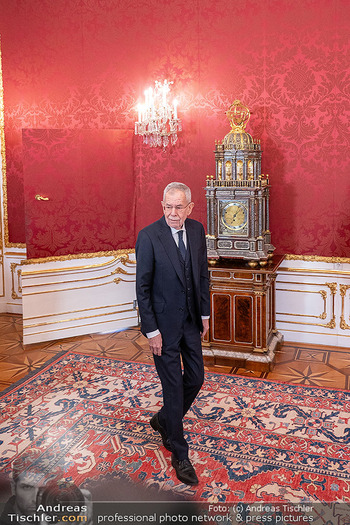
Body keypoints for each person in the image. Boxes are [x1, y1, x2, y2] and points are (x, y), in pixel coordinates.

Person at [135, 182, 210, 486]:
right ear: (162, 205)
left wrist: (204, 314)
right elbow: (142, 288)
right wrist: (151, 331)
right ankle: (179, 451)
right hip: (162, 329)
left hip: (191, 321)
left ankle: (164, 419)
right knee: (174, 388)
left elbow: (202, 273)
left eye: (179, 207)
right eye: (168, 206)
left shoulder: (196, 230)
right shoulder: (149, 236)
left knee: (196, 378)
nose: (173, 213)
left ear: (190, 208)